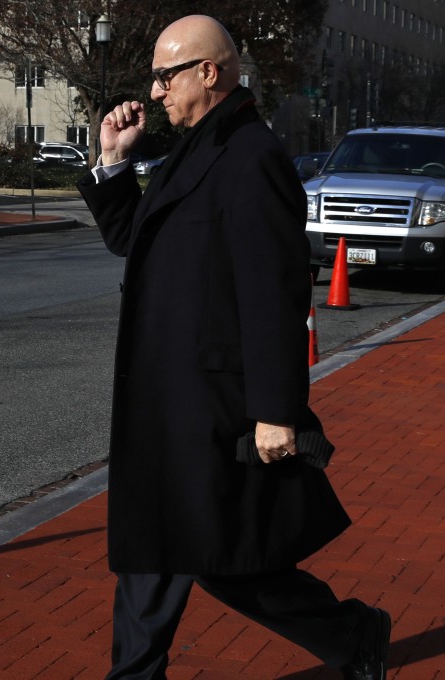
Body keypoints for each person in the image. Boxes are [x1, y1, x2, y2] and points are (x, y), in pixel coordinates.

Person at [77, 15, 390, 680]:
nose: (155, 92)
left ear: (208, 73)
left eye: (165, 76)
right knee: (158, 553)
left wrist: (277, 409)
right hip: (166, 398)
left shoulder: (252, 157)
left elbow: (275, 293)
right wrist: (113, 160)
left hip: (213, 404)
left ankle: (353, 633)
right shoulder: (195, 149)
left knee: (224, 561)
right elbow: (135, 238)